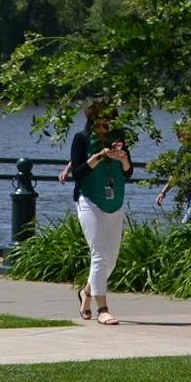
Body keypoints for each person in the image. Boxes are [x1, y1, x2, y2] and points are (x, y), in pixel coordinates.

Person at [59, 101, 132, 324]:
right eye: (100, 119)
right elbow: (78, 173)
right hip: (90, 201)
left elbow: (128, 174)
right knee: (99, 254)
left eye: (108, 119)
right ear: (92, 119)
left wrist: (124, 160)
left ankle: (86, 293)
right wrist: (99, 156)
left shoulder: (118, 138)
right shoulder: (81, 138)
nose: (104, 123)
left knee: (110, 261)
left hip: (115, 201)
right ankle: (103, 309)